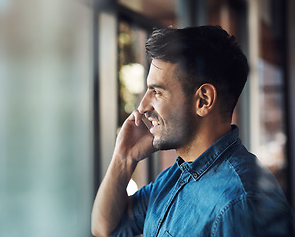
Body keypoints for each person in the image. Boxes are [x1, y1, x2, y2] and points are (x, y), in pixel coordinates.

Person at [91, 26, 293, 237]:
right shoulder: (175, 177)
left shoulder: (241, 203)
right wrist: (124, 157)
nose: (142, 107)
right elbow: (106, 229)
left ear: (203, 100)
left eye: (157, 92)